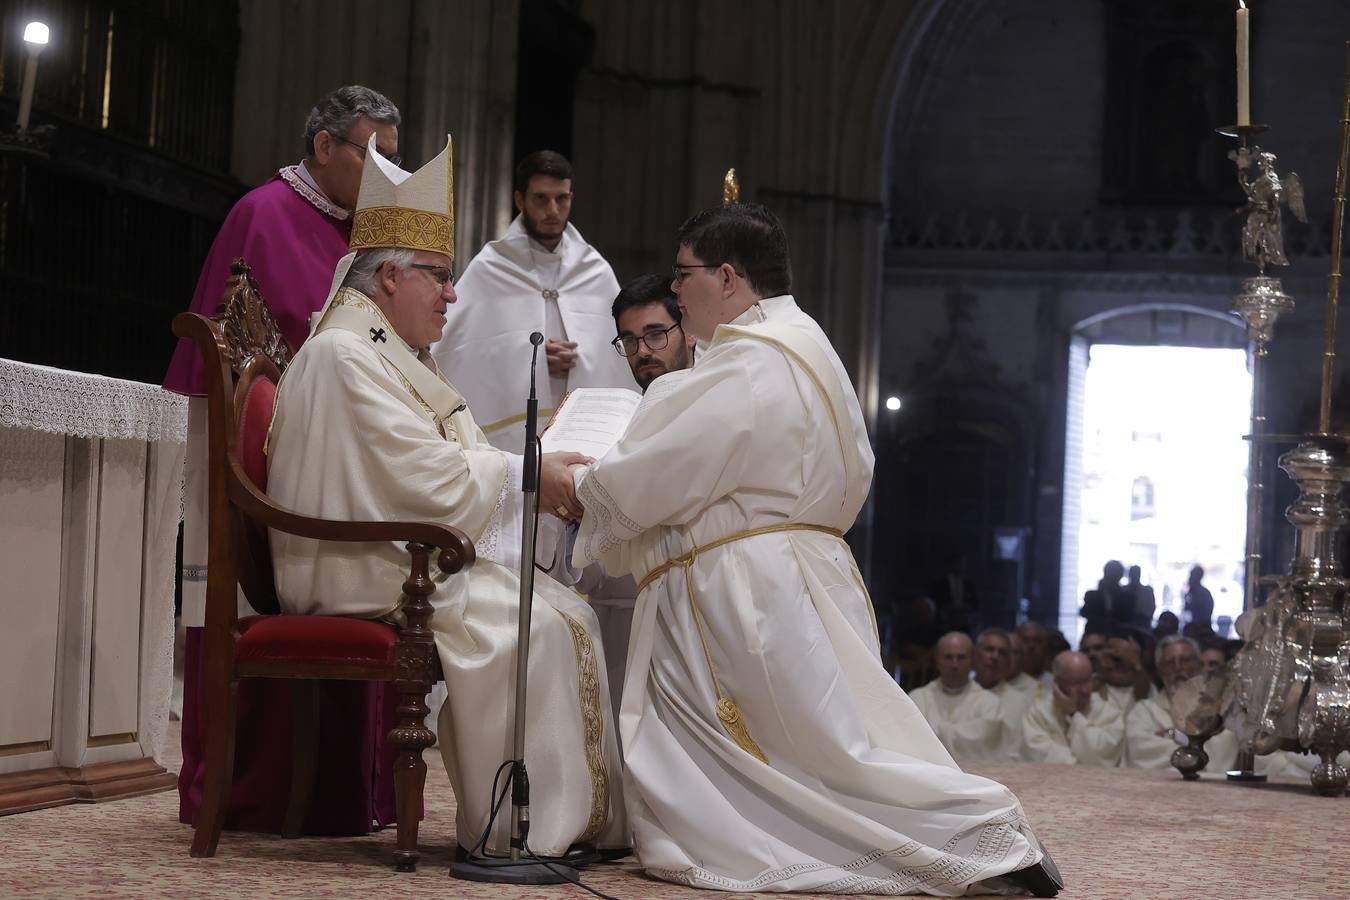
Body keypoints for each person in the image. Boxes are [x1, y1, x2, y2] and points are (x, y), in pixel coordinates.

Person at [568, 203, 1060, 895]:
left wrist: (578, 480)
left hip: (740, 584)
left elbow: (654, 474)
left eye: (684, 276)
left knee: (802, 760)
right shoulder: (808, 344)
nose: (676, 292)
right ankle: (975, 840)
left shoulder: (743, 364)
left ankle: (978, 834)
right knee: (829, 746)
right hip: (804, 568)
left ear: (729, 277)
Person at [265, 138, 627, 857]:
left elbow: (431, 463)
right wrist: (531, 474)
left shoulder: (380, 349)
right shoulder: (345, 354)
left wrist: (536, 466)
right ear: (390, 275)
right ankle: (516, 828)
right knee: (531, 627)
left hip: (395, 554)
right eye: (439, 276)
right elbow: (416, 476)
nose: (453, 295)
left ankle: (560, 823)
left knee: (563, 611)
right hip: (356, 565)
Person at [165, 85, 403, 835]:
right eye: (371, 153)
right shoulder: (264, 213)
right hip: (269, 457)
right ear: (325, 146)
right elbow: (251, 362)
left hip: (334, 448)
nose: (385, 174)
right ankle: (254, 788)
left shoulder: (360, 230)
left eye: (395, 160)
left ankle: (343, 789)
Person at [430, 150, 633, 453]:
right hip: (511, 434)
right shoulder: (491, 267)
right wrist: (532, 358)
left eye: (561, 198)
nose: (553, 210)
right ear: (519, 200)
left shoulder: (594, 269)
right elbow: (461, 350)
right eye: (541, 198)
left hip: (579, 425)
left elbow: (619, 349)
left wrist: (582, 358)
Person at [571, 274, 697, 718]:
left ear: (688, 331)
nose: (642, 351)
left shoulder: (711, 400)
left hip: (689, 609)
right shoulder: (624, 414)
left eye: (656, 335)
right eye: (629, 340)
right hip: (618, 606)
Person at [1123, 635, 1238, 771]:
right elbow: (1140, 750)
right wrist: (1193, 750)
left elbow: (1223, 748)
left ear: (1198, 665)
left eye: (1185, 660)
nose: (1178, 668)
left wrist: (1175, 741)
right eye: (1170, 662)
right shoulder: (1144, 711)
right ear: (1160, 669)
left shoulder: (1220, 710)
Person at [908, 632, 1004, 760]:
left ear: (973, 660)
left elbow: (983, 743)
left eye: (961, 657)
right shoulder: (917, 698)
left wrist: (938, 731)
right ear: (937, 661)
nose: (954, 664)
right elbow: (910, 739)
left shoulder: (990, 703)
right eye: (948, 657)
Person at [1021, 651, 1125, 767]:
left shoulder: (1109, 712)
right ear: (1057, 684)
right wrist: (1079, 764)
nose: (1085, 690)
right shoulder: (1038, 714)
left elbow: (1104, 757)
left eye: (1087, 680)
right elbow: (1039, 757)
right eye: (1077, 683)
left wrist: (1072, 714)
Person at [1183, 565, 1215, 631]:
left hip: (1202, 630)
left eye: (1192, 575)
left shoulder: (1202, 593)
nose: (1189, 578)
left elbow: (1190, 608)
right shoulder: (1195, 593)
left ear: (1197, 577)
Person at [1124, 565, 1156, 630]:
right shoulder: (1123, 590)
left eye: (1136, 573)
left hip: (1142, 627)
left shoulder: (1147, 591)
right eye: (1133, 573)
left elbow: (1150, 610)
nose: (1134, 576)